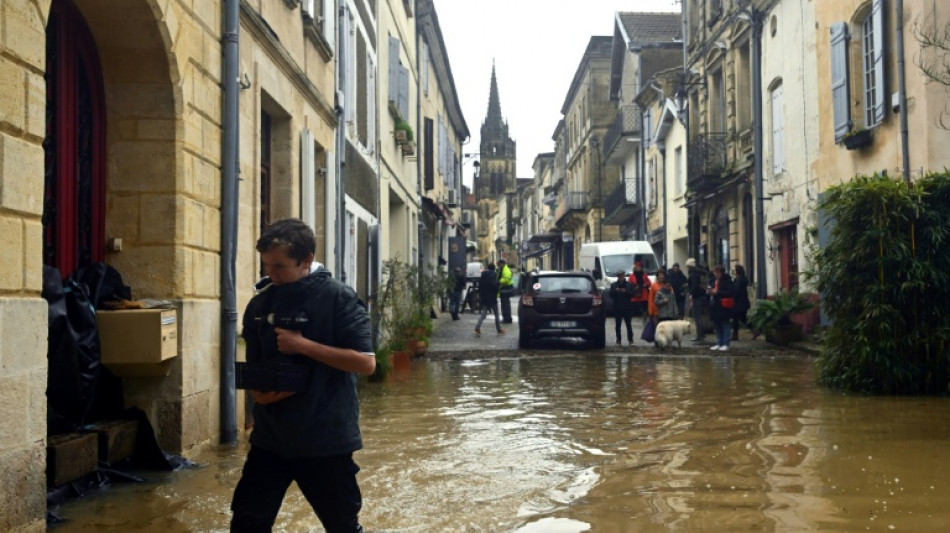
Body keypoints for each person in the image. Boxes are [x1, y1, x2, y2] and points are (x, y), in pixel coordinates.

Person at [231, 218, 376, 533]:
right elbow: (255, 372)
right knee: (246, 523)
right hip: (270, 439)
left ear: (307, 259)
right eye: (267, 266)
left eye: (280, 267)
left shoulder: (339, 297)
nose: (272, 274)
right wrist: (260, 393)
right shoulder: (259, 304)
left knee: (342, 526)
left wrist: (303, 345)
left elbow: (365, 363)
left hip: (326, 439)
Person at [706, 263, 735, 351]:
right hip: (715, 305)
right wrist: (709, 291)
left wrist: (717, 292)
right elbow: (710, 289)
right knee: (717, 324)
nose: (716, 274)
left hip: (723, 306)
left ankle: (726, 343)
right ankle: (719, 343)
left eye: (718, 272)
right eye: (715, 272)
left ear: (722, 273)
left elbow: (729, 292)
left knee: (724, 324)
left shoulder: (727, 281)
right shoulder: (713, 280)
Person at [475, 262, 504, 336]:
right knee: (496, 315)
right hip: (492, 298)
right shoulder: (493, 275)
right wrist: (498, 284)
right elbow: (494, 286)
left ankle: (477, 327)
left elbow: (480, 286)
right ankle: (499, 330)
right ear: (494, 269)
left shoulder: (483, 275)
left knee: (483, 314)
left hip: (484, 297)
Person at [608, 270, 635, 345]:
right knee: (617, 325)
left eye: (621, 275)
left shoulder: (629, 284)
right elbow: (610, 295)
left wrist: (625, 291)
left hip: (627, 308)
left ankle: (630, 339)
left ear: (624, 275)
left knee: (629, 325)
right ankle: (618, 340)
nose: (620, 277)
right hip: (617, 308)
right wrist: (616, 291)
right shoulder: (614, 285)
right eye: (619, 275)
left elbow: (632, 294)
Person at [686, 258, 708, 342]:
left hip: (696, 297)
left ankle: (700, 335)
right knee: (700, 316)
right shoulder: (700, 272)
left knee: (697, 316)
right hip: (703, 295)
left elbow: (693, 286)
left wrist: (691, 294)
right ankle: (702, 333)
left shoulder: (693, 274)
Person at [730, 264, 754, 340]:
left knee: (737, 318)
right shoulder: (743, 278)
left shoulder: (738, 279)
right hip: (743, 302)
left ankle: (735, 334)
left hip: (739, 303)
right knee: (742, 318)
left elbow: (736, 290)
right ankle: (754, 330)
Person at [497, 258, 514, 323]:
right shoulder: (502, 269)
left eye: (499, 264)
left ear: (502, 263)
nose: (498, 265)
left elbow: (506, 279)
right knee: (505, 305)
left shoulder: (505, 270)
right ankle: (506, 318)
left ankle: (507, 319)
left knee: (505, 305)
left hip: (506, 290)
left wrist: (499, 282)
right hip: (505, 290)